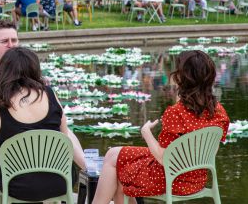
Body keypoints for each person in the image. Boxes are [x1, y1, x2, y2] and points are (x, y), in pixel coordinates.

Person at [92, 50, 230, 204]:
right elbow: (210, 151)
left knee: (116, 165)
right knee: (113, 154)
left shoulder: (176, 113)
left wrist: (146, 132)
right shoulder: (219, 112)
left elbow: (164, 158)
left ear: (182, 78)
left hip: (171, 180)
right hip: (196, 179)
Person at [0, 48, 86, 203]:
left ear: (3, 72)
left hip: (17, 186)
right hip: (59, 182)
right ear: (35, 69)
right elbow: (65, 140)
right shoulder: (50, 94)